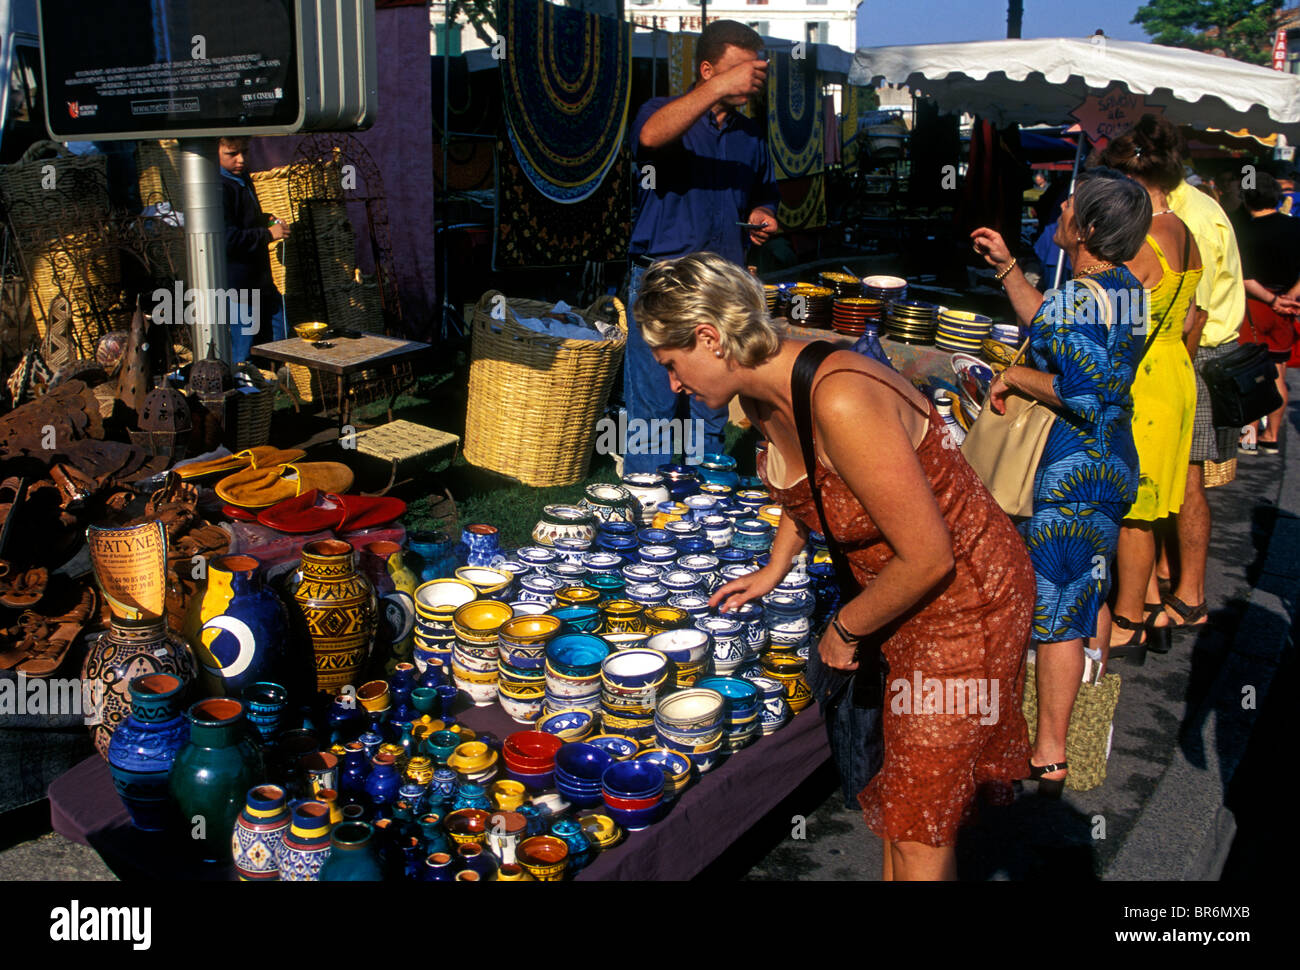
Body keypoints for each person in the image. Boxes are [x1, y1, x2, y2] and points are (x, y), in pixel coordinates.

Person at [636, 251, 1035, 880]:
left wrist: (845, 627)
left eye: (672, 364)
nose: (672, 385)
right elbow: (819, 486)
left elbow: (930, 556)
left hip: (966, 601)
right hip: (901, 595)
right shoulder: (766, 391)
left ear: (709, 339)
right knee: (900, 800)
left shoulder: (841, 398)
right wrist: (774, 566)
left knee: (919, 821)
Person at [971, 168, 1152, 794]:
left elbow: (1085, 390)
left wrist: (1012, 378)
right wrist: (1007, 268)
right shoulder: (1126, 289)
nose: (1061, 206)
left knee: (1056, 611)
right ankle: (1067, 728)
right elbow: (1052, 325)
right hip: (1109, 465)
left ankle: (1048, 750)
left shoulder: (1081, 297)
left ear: (1089, 228)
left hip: (1069, 469)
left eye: (1070, 204)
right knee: (1082, 597)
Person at [622, 20, 780, 474]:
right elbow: (650, 138)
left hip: (721, 286)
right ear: (706, 70)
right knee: (653, 399)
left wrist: (763, 216)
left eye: (753, 71)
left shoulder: (750, 136)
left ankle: (707, 501)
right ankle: (645, 496)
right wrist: (718, 88)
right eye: (738, 71)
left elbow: (763, 194)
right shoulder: (662, 111)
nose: (749, 80)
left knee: (710, 402)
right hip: (663, 281)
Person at [1090, 119, 1203, 660]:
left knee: (1134, 510)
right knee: (1153, 502)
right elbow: (1192, 319)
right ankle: (1152, 606)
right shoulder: (1182, 227)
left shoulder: (1144, 239)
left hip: (1148, 380)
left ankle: (1128, 622)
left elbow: (1106, 312)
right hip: (1177, 373)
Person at [1127, 119, 1245, 635]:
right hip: (1200, 350)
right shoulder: (1201, 207)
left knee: (1181, 482)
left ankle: (1181, 594)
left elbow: (1186, 312)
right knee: (1177, 480)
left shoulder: (1175, 218)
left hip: (1197, 352)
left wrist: (1176, 361)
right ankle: (1161, 582)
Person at [1235, 170, 1300, 455]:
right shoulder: (1295, 226)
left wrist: (1272, 299)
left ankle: (1248, 435)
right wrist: (1289, 297)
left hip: (1255, 305)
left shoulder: (1244, 231)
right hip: (1287, 305)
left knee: (1249, 373)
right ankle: (1272, 435)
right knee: (1277, 373)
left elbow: (1246, 277)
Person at [219, 136, 290, 364]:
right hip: (239, 286)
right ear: (216, 154)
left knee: (280, 331)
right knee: (244, 349)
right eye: (232, 154)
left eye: (245, 152)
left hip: (261, 279)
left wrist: (266, 219)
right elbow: (228, 239)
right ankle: (244, 394)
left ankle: (271, 386)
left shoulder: (242, 180)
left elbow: (245, 222)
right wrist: (268, 234)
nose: (241, 159)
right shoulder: (219, 188)